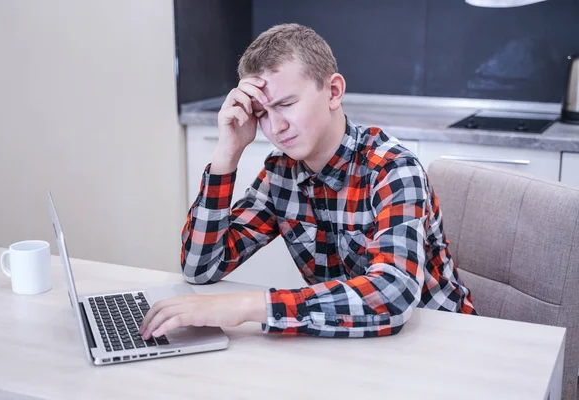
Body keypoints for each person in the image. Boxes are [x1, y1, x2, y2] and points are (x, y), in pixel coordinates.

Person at [140, 23, 476, 340]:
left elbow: (391, 295)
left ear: (333, 92)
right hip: (352, 342)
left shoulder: (393, 169)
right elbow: (201, 267)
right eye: (262, 114)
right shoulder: (279, 174)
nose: (275, 127)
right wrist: (227, 154)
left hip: (443, 340)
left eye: (286, 104)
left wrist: (247, 306)